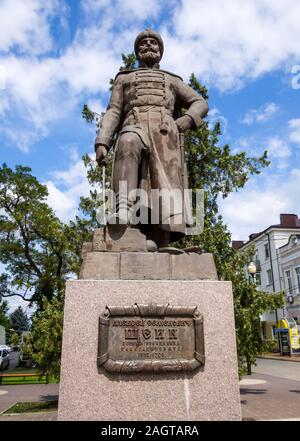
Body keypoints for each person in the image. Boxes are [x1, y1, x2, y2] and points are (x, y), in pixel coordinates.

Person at [95, 29, 208, 249]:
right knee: (127, 141)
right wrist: (102, 141)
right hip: (133, 124)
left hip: (165, 134)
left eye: (153, 43)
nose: (148, 45)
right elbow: (114, 111)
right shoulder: (124, 78)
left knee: (164, 184)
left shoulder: (172, 80)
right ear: (137, 51)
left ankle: (160, 238)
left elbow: (200, 102)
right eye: (143, 43)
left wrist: (188, 118)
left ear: (160, 50)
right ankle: (123, 210)